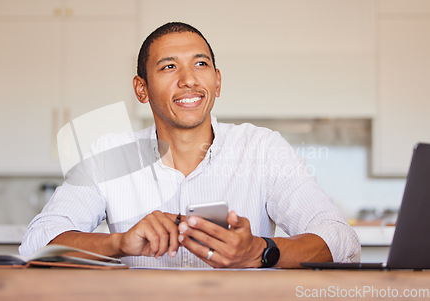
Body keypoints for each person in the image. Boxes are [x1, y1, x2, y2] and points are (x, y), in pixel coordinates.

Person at [20, 22, 360, 268]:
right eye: (169, 67)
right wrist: (117, 243)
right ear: (141, 89)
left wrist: (260, 250)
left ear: (217, 80)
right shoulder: (109, 157)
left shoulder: (262, 149)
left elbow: (340, 240)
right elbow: (38, 243)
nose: (189, 80)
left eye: (201, 64)